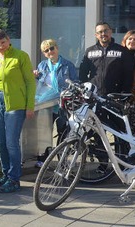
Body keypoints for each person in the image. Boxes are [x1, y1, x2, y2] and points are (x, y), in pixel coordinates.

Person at [0, 29, 36, 193]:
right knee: (0, 141)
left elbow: (30, 83)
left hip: (15, 104)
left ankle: (14, 178)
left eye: (3, 42)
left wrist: (29, 106)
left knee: (12, 142)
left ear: (8, 40)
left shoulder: (20, 56)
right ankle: (6, 174)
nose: (1, 47)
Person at [32, 39, 78, 168]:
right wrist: (34, 76)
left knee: (63, 131)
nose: (50, 52)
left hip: (63, 103)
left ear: (57, 48)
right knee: (44, 132)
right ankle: (43, 159)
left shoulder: (67, 65)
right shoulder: (42, 65)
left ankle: (62, 159)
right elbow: (39, 84)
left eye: (51, 48)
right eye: (46, 50)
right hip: (46, 104)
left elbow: (75, 82)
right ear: (43, 53)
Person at [79, 22, 135, 96]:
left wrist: (124, 93)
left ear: (111, 32)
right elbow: (83, 72)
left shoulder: (122, 51)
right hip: (94, 95)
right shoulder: (89, 51)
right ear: (96, 35)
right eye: (100, 32)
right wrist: (85, 89)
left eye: (105, 30)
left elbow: (128, 74)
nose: (103, 34)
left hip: (115, 96)